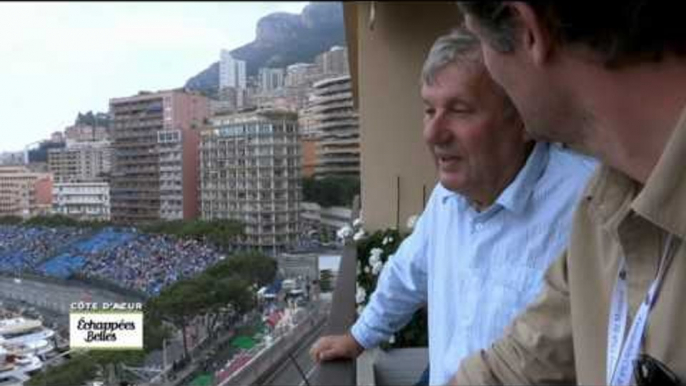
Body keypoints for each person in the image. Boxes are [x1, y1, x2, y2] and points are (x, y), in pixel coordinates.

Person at [309, 28, 596, 386]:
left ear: (524, 117)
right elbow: (406, 274)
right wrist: (358, 337)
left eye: (459, 110)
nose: (433, 133)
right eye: (430, 110)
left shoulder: (587, 206)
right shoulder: (447, 199)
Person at [454, 2, 686, 385]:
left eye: (478, 41)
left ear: (529, 32)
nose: (489, 71)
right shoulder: (602, 208)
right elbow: (517, 365)